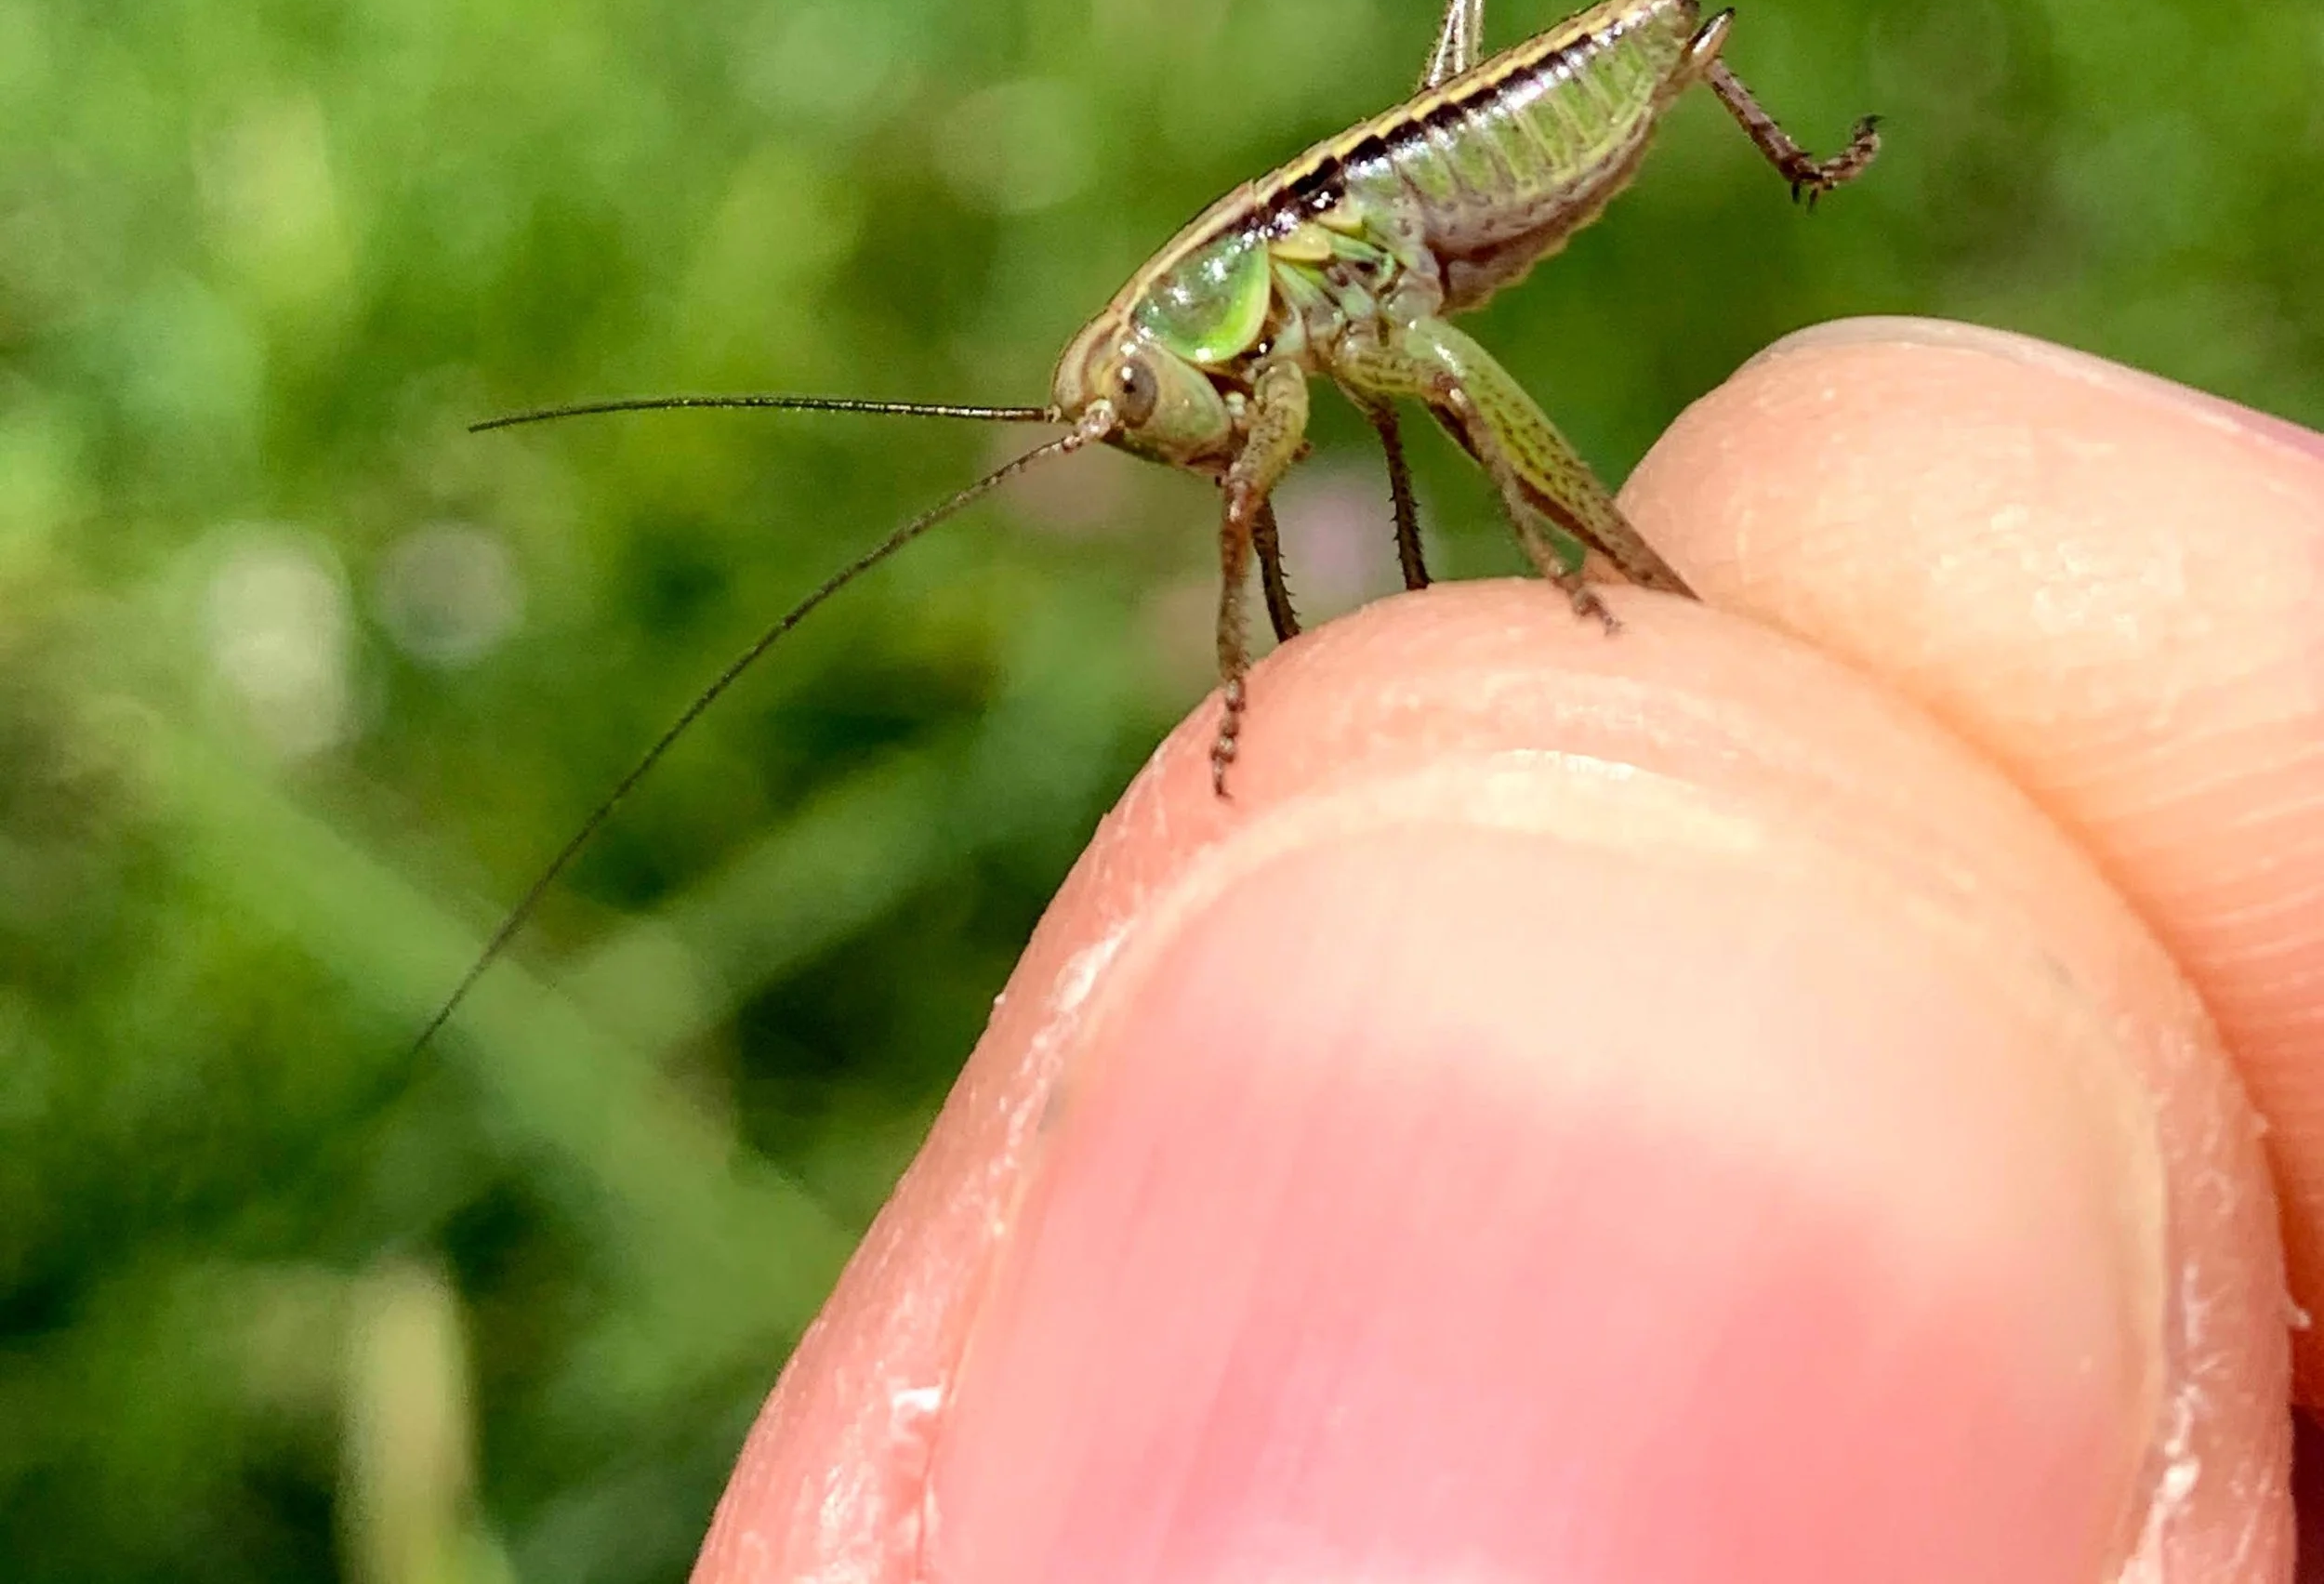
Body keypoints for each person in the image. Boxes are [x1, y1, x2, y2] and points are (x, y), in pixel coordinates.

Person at [695, 320, 2324, 1580]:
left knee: (1474, 399)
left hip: (1445, 170)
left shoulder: (1288, 310)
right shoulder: (1284, 361)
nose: (1159, 432)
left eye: (1136, 396)